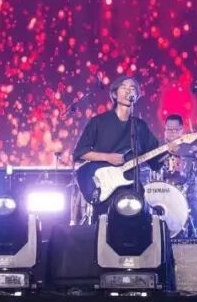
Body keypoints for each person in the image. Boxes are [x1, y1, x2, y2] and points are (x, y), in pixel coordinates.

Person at [73, 76, 177, 209]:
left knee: (141, 215)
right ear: (114, 94)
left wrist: (169, 151)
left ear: (137, 96)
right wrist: (108, 157)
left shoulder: (140, 126)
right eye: (124, 87)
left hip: (131, 185)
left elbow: (155, 160)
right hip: (103, 185)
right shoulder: (98, 122)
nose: (128, 90)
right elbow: (80, 152)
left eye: (132, 88)